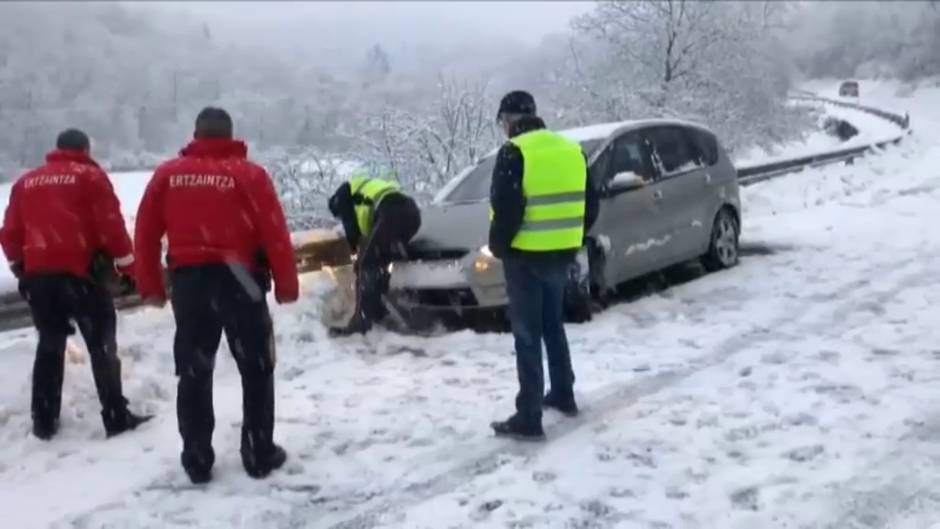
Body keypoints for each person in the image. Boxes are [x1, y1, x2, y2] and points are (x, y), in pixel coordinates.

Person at [134, 107, 299, 484]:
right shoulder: (250, 175)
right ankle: (258, 453)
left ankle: (196, 458)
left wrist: (151, 287)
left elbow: (144, 233)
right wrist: (287, 286)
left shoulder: (168, 175)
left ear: (196, 134)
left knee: (194, 373)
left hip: (189, 283)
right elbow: (274, 232)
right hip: (242, 280)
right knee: (256, 368)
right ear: (230, 135)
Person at [0, 128, 152, 440]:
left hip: (40, 278)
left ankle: (43, 421)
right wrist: (128, 267)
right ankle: (115, 415)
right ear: (85, 150)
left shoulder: (26, 182)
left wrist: (21, 266)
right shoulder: (90, 178)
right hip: (82, 275)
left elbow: (11, 233)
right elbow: (111, 228)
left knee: (50, 344)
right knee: (101, 346)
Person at [488, 91, 600, 441]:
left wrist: (498, 247)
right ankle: (564, 393)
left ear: (510, 119)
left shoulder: (514, 152)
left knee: (526, 333)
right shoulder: (572, 150)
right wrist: (571, 238)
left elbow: (507, 208)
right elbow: (590, 204)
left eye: (503, 121)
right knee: (553, 325)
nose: (504, 127)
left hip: (525, 256)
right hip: (562, 254)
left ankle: (529, 415)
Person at [327, 173, 421, 335]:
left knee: (367, 264)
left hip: (391, 212)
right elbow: (371, 233)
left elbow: (352, 228)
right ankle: (385, 311)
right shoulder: (365, 188)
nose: (341, 218)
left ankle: (363, 322)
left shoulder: (343, 193)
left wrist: (354, 249)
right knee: (383, 261)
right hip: (412, 213)